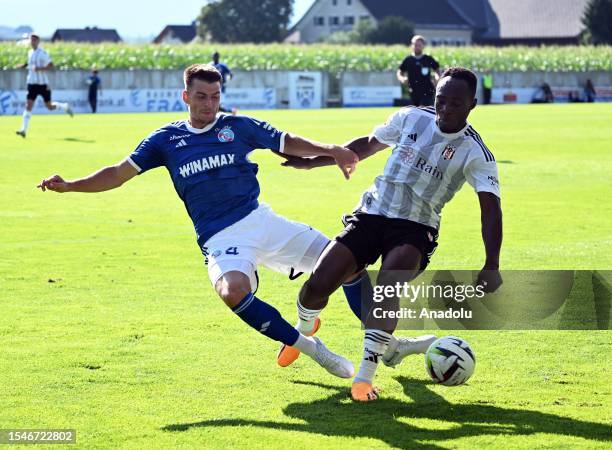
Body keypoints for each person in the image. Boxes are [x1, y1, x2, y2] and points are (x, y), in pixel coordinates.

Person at [37, 64, 359, 381]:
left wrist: (332, 151)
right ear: (185, 96)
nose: (209, 105)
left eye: (215, 96)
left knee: (346, 262)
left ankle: (379, 342)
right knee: (233, 292)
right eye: (201, 97)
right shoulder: (165, 140)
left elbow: (287, 141)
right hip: (219, 239)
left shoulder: (238, 126)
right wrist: (70, 185)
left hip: (261, 221)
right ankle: (311, 348)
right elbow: (118, 173)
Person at [279, 67, 503, 402]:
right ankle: (307, 325)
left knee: (389, 285)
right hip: (371, 215)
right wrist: (315, 161)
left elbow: (490, 210)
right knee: (318, 284)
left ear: (472, 104)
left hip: (415, 228)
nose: (445, 108)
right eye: (441, 99)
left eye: (456, 103)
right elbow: (365, 146)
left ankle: (364, 378)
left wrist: (492, 264)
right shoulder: (411, 118)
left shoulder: (476, 153)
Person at [15, 33, 73, 138]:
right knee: (28, 105)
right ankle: (23, 130)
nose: (31, 42)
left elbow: (51, 65)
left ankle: (64, 106)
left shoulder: (43, 53)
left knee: (49, 107)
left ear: (38, 41)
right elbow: (30, 64)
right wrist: (23, 65)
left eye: (34, 40)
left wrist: (39, 69)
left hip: (42, 85)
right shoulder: (30, 52)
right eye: (30, 40)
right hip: (32, 84)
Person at [397, 35, 440, 107]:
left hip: (427, 91)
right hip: (413, 91)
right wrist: (402, 78)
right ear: (411, 45)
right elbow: (400, 72)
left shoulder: (428, 59)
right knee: (415, 113)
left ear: (423, 46)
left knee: (424, 109)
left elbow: (437, 69)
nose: (416, 47)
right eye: (415, 44)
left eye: (419, 45)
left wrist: (437, 78)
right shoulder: (408, 60)